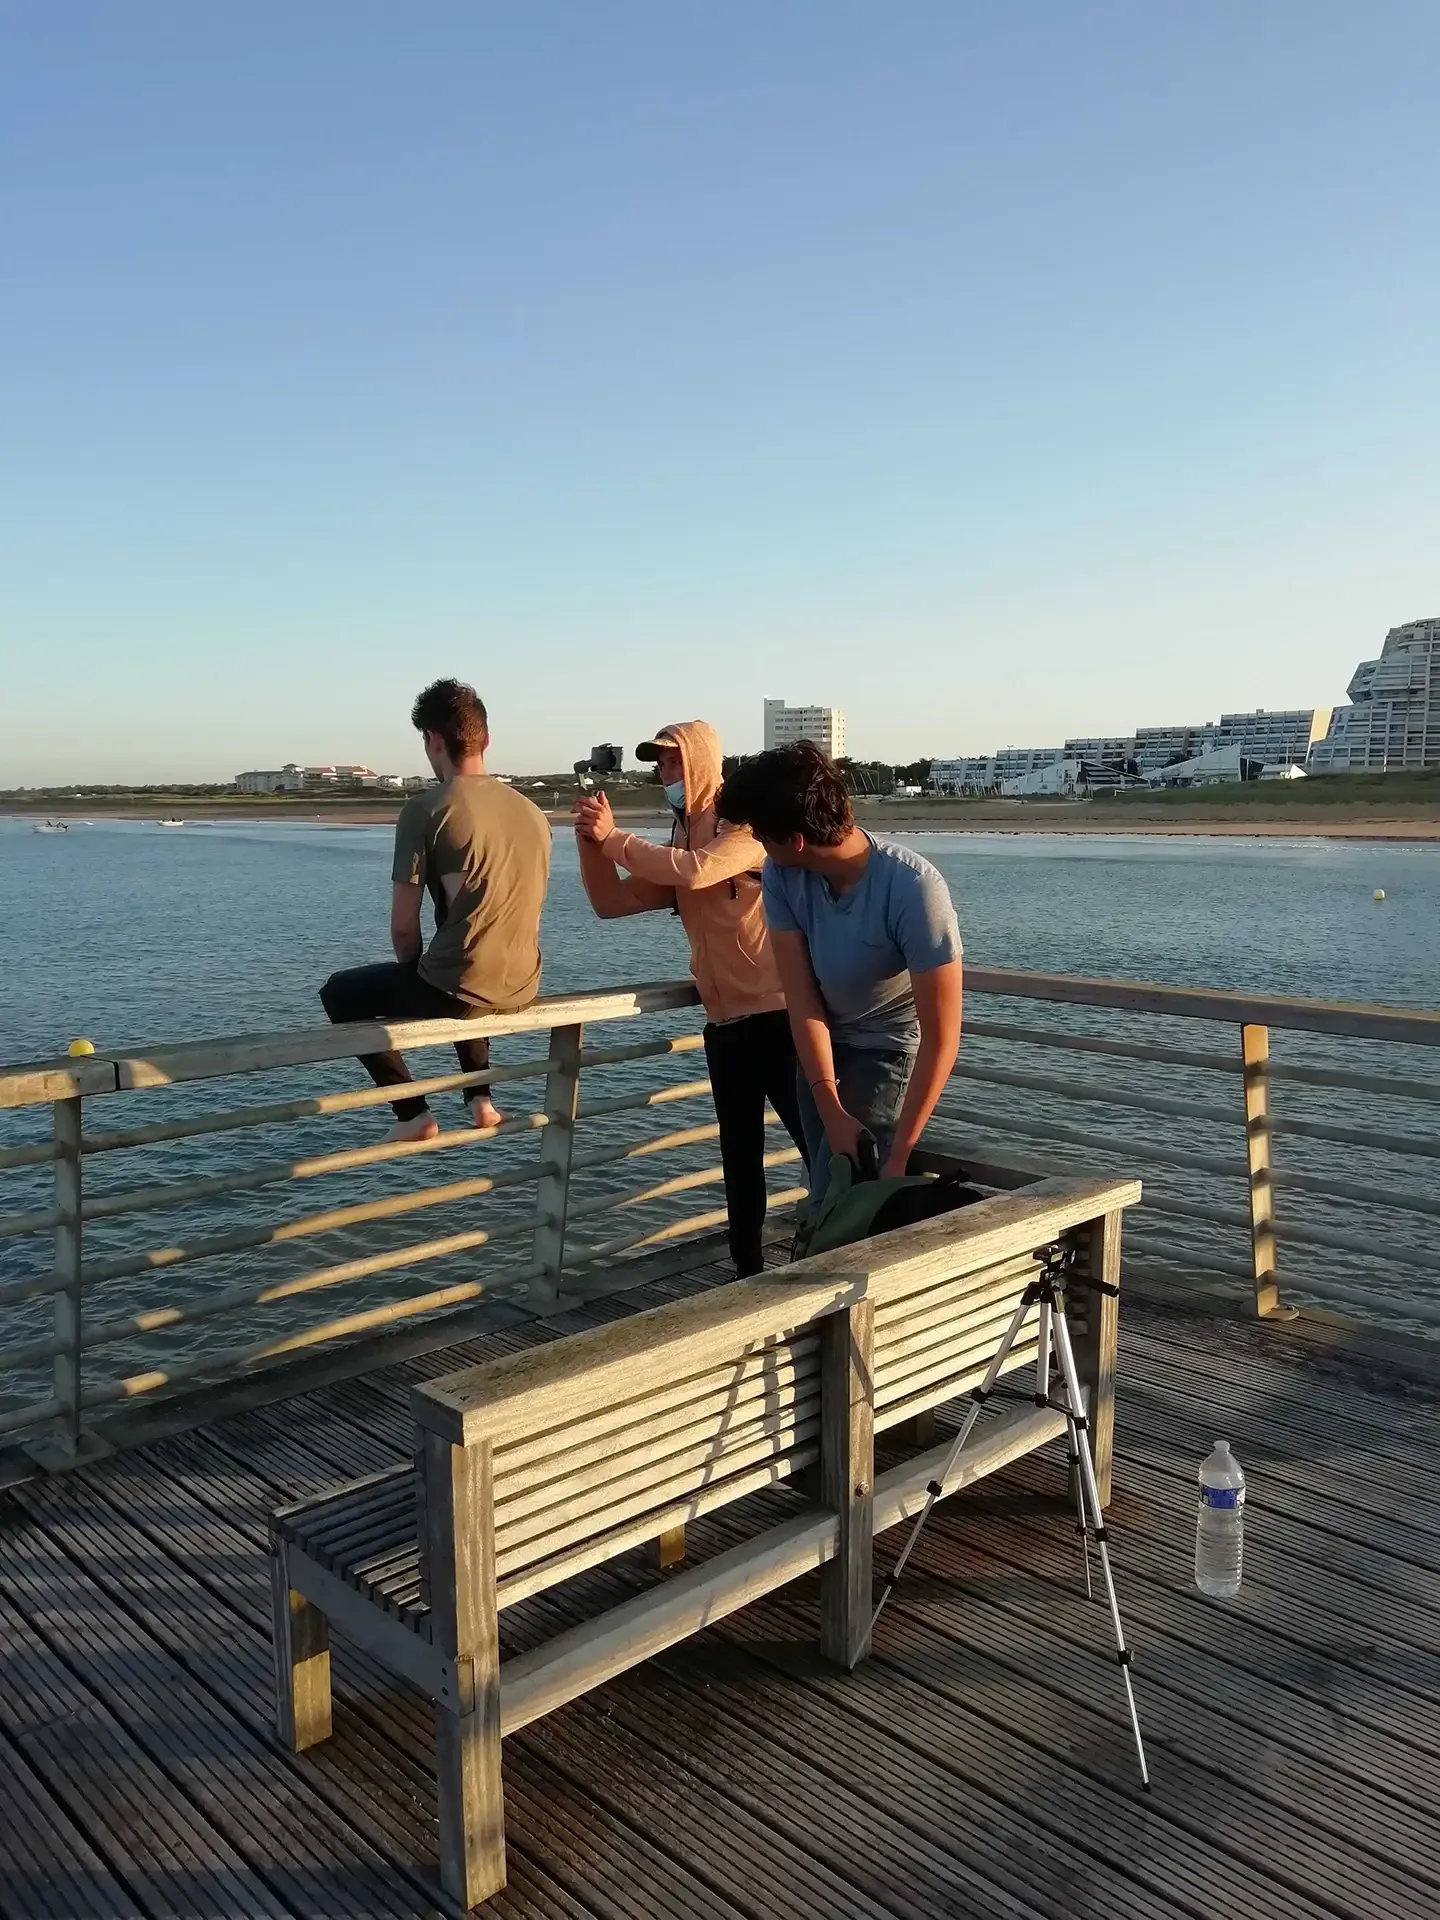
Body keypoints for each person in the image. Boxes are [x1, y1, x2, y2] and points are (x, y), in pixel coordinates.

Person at [574, 720, 808, 1278]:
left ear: (702, 761)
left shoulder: (745, 824)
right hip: (724, 1022)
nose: (665, 774)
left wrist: (616, 840)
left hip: (780, 1014)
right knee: (740, 1159)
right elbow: (613, 902)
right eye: (659, 764)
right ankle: (747, 1273)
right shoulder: (680, 838)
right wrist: (591, 844)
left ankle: (859, 1242)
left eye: (675, 761)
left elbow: (698, 872)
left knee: (818, 1142)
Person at [715, 740, 963, 1194]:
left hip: (886, 1054)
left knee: (851, 1200)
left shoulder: (913, 888)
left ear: (795, 840)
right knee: (825, 1193)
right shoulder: (782, 875)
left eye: (759, 834)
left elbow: (942, 1036)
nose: (756, 845)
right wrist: (828, 1104)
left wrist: (899, 1153)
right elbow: (802, 998)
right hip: (820, 1055)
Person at [319, 678, 551, 1142]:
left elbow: (404, 931)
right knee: (462, 949)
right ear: (485, 738)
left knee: (341, 992)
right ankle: (480, 1099)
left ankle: (411, 1113)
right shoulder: (532, 812)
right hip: (524, 983)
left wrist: (414, 972)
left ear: (434, 740)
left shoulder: (426, 809)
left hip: (463, 986)